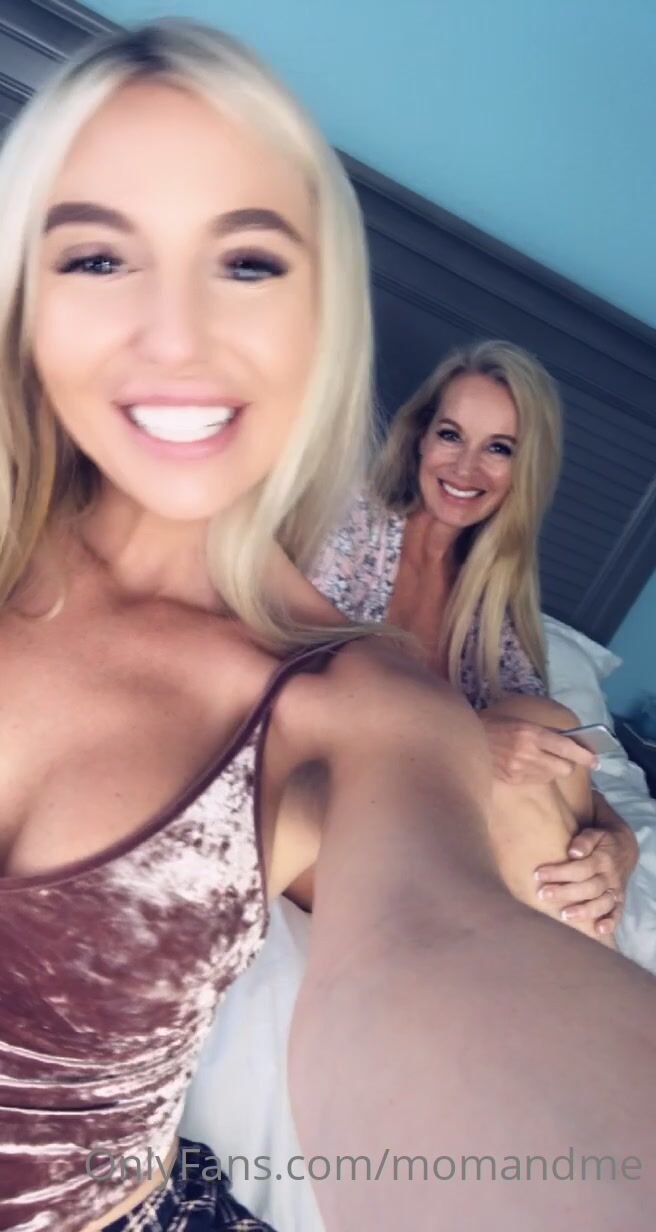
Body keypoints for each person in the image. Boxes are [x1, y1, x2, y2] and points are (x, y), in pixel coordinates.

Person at [0, 19, 655, 1232]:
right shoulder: (350, 529)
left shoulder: (422, 663)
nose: (177, 332)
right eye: (98, 255)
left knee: (538, 719)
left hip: (381, 817)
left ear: (319, 325)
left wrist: (605, 832)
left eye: (247, 263)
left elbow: (435, 928)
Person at [303, 341, 639, 944]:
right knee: (519, 740)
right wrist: (460, 741)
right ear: (420, 438)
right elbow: (277, 696)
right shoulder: (347, 529)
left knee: (542, 720)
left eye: (499, 449)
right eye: (451, 435)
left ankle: (571, 952)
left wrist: (619, 844)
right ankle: (585, 961)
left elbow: (548, 765)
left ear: (523, 471)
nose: (465, 468)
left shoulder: (494, 606)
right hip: (322, 798)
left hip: (433, 823)